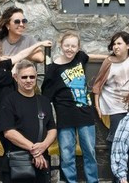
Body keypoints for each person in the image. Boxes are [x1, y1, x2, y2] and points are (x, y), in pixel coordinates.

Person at [44, 31, 105, 183]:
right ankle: (70, 181)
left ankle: (93, 180)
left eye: (73, 46)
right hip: (65, 114)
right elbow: (46, 96)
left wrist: (110, 58)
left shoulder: (80, 58)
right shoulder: (52, 69)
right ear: (61, 45)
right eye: (67, 45)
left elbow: (91, 56)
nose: (70, 49)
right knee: (67, 153)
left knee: (90, 151)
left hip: (85, 113)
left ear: (78, 48)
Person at [0, 59, 58, 180]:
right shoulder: (8, 101)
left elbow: (52, 129)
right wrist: (35, 150)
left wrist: (43, 146)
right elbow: (9, 132)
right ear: (16, 77)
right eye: (24, 77)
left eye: (32, 77)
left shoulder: (44, 101)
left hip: (41, 163)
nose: (29, 80)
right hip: (17, 162)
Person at [94, 32, 129, 139]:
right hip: (115, 107)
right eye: (114, 44)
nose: (116, 47)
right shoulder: (108, 62)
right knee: (117, 138)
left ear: (128, 45)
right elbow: (98, 84)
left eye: (119, 43)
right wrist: (97, 106)